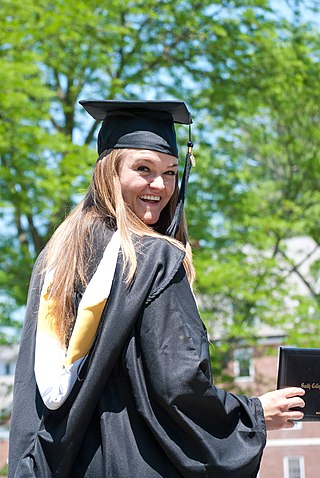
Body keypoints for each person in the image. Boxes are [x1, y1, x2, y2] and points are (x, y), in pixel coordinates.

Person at [8, 100, 305, 478]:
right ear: (109, 172)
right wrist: (254, 416)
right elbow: (178, 385)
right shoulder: (154, 258)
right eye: (143, 169)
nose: (160, 186)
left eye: (170, 173)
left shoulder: (56, 259)